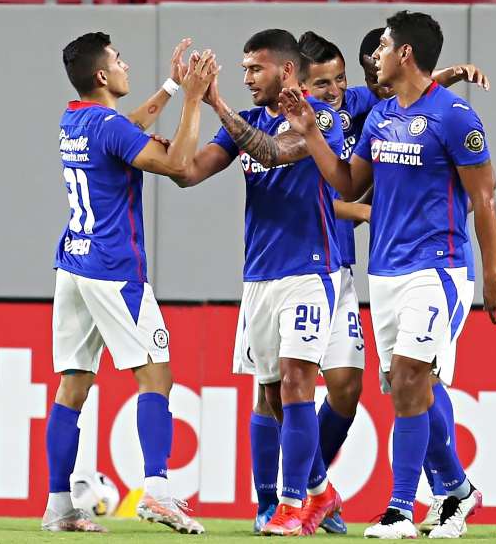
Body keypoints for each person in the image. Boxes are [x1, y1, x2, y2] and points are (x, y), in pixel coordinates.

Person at [280, 10, 496, 539]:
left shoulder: (455, 117)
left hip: (438, 269)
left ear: (404, 53)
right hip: (383, 274)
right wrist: (311, 134)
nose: (375, 56)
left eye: (382, 46)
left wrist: (494, 275)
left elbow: (485, 195)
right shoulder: (382, 118)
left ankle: (401, 508)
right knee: (408, 389)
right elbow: (345, 181)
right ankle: (456, 491)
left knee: (410, 377)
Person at [167, 29, 346, 537]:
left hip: (310, 271)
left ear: (287, 71)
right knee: (268, 394)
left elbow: (271, 151)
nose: (246, 78)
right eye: (243, 69)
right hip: (259, 276)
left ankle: (291, 507)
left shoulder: (319, 119)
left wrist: (215, 98)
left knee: (296, 384)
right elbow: (187, 173)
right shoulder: (241, 122)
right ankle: (318, 492)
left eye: (255, 69)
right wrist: (190, 102)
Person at [43, 32, 213, 534]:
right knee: (155, 376)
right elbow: (177, 164)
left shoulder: (74, 119)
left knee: (72, 385)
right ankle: (157, 492)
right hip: (113, 268)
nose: (124, 64)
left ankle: (59, 508)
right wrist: (194, 102)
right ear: (102, 76)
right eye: (118, 60)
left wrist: (170, 86)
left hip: (72, 263)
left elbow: (126, 127)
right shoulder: (105, 126)